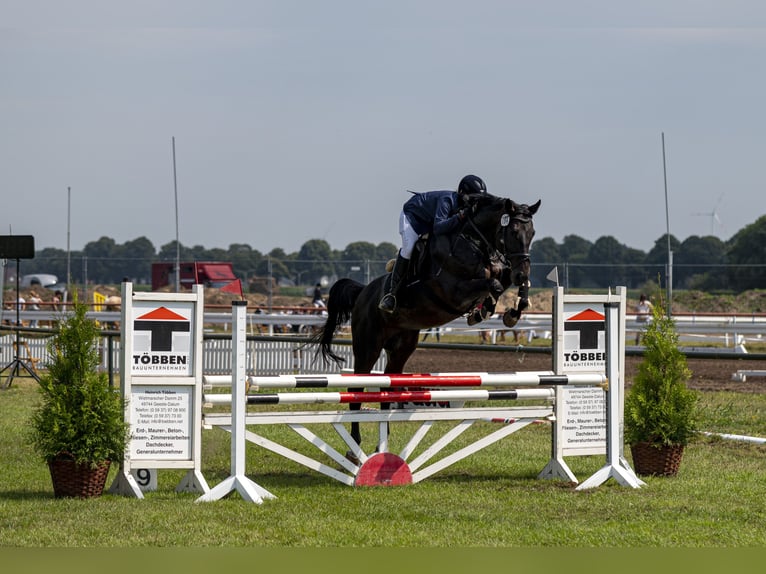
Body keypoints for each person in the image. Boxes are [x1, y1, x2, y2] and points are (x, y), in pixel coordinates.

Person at [378, 174, 487, 313]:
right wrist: (459, 217)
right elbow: (439, 228)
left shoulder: (465, 206)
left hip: (429, 220)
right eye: (473, 198)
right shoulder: (446, 200)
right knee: (409, 248)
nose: (475, 203)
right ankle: (391, 294)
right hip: (412, 218)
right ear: (462, 194)